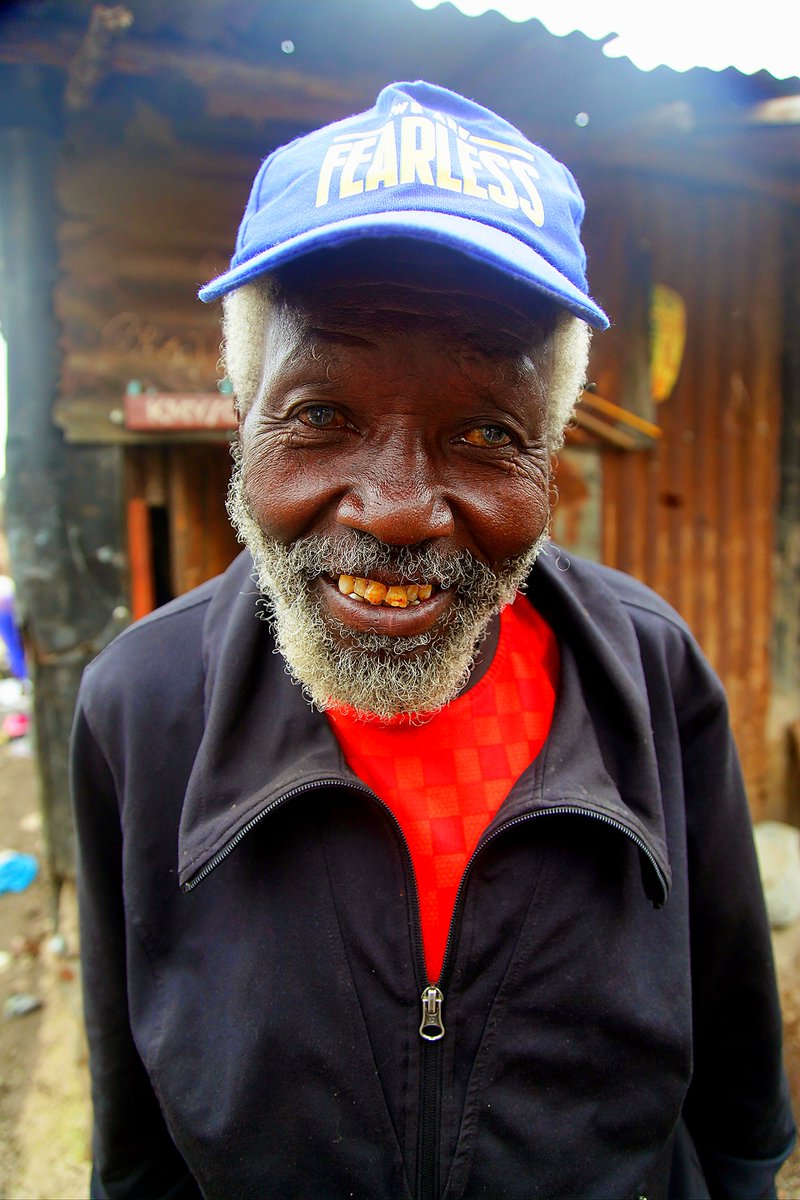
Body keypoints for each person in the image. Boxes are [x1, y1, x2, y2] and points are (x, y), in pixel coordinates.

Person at [71, 81, 794, 1200]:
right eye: (321, 415)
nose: (398, 508)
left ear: (546, 453)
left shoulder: (650, 673)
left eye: (482, 432)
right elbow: (136, 1139)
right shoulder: (140, 704)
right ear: (241, 412)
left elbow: (738, 1093)